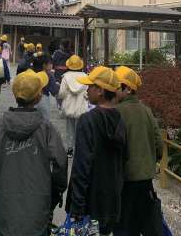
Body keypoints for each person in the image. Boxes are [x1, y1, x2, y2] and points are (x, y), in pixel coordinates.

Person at [0, 69, 68, 236]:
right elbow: (60, 163)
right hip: (38, 204)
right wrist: (57, 191)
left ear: (15, 95)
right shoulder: (46, 128)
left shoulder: (1, 126)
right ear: (38, 97)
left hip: (5, 206)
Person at [66, 66, 128, 236]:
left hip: (89, 203)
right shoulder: (120, 120)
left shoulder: (88, 120)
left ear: (100, 90)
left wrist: (77, 206)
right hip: (111, 201)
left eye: (90, 86)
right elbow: (125, 159)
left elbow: (81, 165)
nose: (86, 90)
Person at [113, 67, 163, 236]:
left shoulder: (117, 112)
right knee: (144, 222)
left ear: (127, 89)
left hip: (125, 180)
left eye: (117, 85)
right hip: (146, 178)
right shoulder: (146, 111)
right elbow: (159, 144)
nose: (113, 89)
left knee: (124, 225)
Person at [57, 55, 88, 157]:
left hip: (69, 106)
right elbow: (88, 93)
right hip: (81, 107)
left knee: (69, 129)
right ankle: (79, 149)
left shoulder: (66, 77)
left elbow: (61, 93)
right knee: (80, 129)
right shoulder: (85, 76)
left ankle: (70, 150)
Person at [32, 53, 59, 122]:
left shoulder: (32, 73)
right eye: (50, 63)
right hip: (43, 100)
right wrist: (57, 85)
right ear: (44, 65)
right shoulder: (49, 75)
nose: (52, 65)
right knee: (45, 123)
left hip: (32, 100)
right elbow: (54, 91)